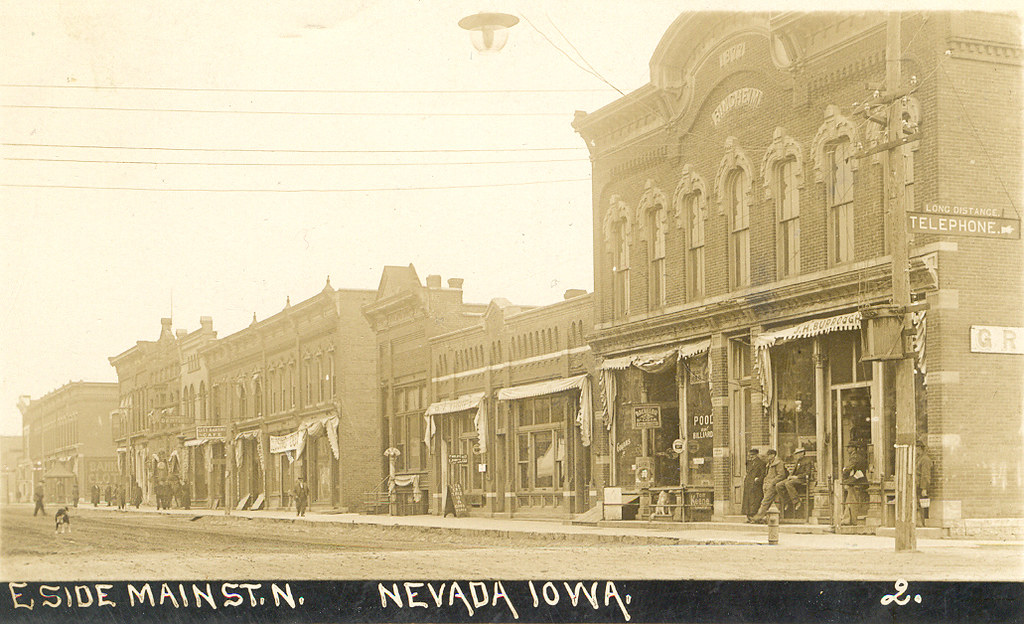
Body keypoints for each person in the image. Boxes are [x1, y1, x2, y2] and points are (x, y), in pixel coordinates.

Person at [751, 449, 787, 523]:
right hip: (767, 485)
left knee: (765, 502)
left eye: (768, 455)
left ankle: (758, 518)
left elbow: (781, 475)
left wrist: (772, 482)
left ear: (773, 455)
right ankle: (769, 518)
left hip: (772, 485)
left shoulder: (779, 463)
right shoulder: (769, 464)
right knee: (770, 502)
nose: (767, 457)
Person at [777, 447, 814, 512]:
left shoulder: (807, 461)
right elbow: (794, 472)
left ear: (802, 453)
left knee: (788, 483)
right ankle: (787, 501)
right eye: (796, 454)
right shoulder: (798, 461)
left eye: (798, 453)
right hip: (795, 479)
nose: (797, 455)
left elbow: (807, 473)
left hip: (802, 480)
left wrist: (797, 477)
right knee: (778, 485)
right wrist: (790, 476)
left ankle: (797, 501)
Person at [841, 446, 869, 525]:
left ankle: (851, 520)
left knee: (852, 501)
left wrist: (844, 471)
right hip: (860, 480)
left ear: (853, 448)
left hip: (856, 481)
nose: (847, 449)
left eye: (849, 447)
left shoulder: (854, 457)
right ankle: (848, 519)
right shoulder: (860, 456)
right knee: (851, 501)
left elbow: (848, 468)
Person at [742, 448, 766, 522]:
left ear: (757, 455)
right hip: (748, 484)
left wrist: (758, 479)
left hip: (756, 485)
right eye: (750, 455)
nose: (751, 456)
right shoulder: (749, 463)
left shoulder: (761, 463)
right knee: (747, 500)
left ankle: (754, 517)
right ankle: (748, 516)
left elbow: (763, 474)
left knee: (754, 500)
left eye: (753, 455)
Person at [915, 440, 933, 527]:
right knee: (918, 504)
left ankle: (922, 523)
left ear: (919, 448)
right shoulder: (918, 459)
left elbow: (925, 475)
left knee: (923, 505)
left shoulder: (925, 460)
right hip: (917, 485)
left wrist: (924, 488)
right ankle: (919, 522)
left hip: (921, 486)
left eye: (916, 448)